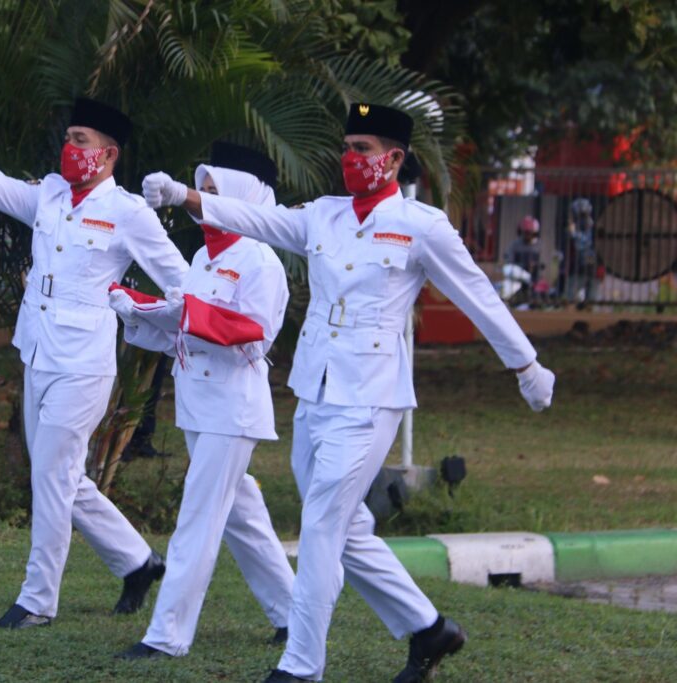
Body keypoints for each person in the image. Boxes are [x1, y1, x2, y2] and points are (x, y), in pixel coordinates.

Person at [142, 103, 556, 683]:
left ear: (395, 159)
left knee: (321, 524)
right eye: (348, 147)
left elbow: (477, 295)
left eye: (363, 149)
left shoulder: (420, 225)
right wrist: (185, 196)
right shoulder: (324, 215)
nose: (351, 158)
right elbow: (258, 219)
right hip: (316, 389)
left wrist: (525, 364)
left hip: (371, 395)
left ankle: (301, 664)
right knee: (346, 527)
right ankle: (429, 628)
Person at [0, 98, 188, 628]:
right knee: (60, 475)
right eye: (68, 138)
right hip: (39, 351)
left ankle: (37, 601)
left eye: (81, 140)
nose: (69, 148)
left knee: (50, 476)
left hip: (84, 364)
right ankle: (138, 562)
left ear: (109, 154)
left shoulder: (129, 213)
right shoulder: (50, 194)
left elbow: (182, 282)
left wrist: (146, 315)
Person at [111, 142, 294, 660]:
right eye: (202, 191)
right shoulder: (202, 257)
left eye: (215, 192)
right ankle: (294, 612)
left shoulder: (260, 259)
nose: (202, 202)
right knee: (241, 515)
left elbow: (255, 335)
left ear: (242, 198)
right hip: (199, 403)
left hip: (232, 408)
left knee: (198, 516)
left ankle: (166, 635)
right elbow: (183, 331)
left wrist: (184, 313)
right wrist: (138, 308)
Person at [503, 215, 542, 306]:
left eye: (529, 232)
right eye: (525, 232)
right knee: (508, 271)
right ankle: (507, 299)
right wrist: (522, 265)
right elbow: (509, 259)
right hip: (518, 273)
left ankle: (532, 299)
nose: (527, 235)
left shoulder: (538, 245)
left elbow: (544, 263)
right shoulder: (515, 244)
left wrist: (535, 265)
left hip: (534, 275)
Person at [565, 198, 596, 305]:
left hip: (589, 265)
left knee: (591, 298)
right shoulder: (576, 225)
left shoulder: (591, 225)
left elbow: (584, 243)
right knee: (571, 297)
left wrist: (574, 234)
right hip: (576, 267)